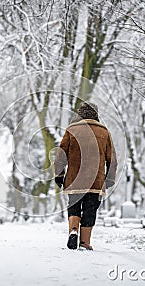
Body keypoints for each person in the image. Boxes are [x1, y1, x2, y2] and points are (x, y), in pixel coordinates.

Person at [54, 102, 117, 250]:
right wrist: (109, 179)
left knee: (74, 206)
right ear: (96, 114)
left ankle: (73, 230)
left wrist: (59, 175)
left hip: (74, 180)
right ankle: (85, 242)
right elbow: (112, 160)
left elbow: (61, 155)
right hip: (96, 181)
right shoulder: (104, 132)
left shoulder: (72, 129)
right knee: (90, 209)